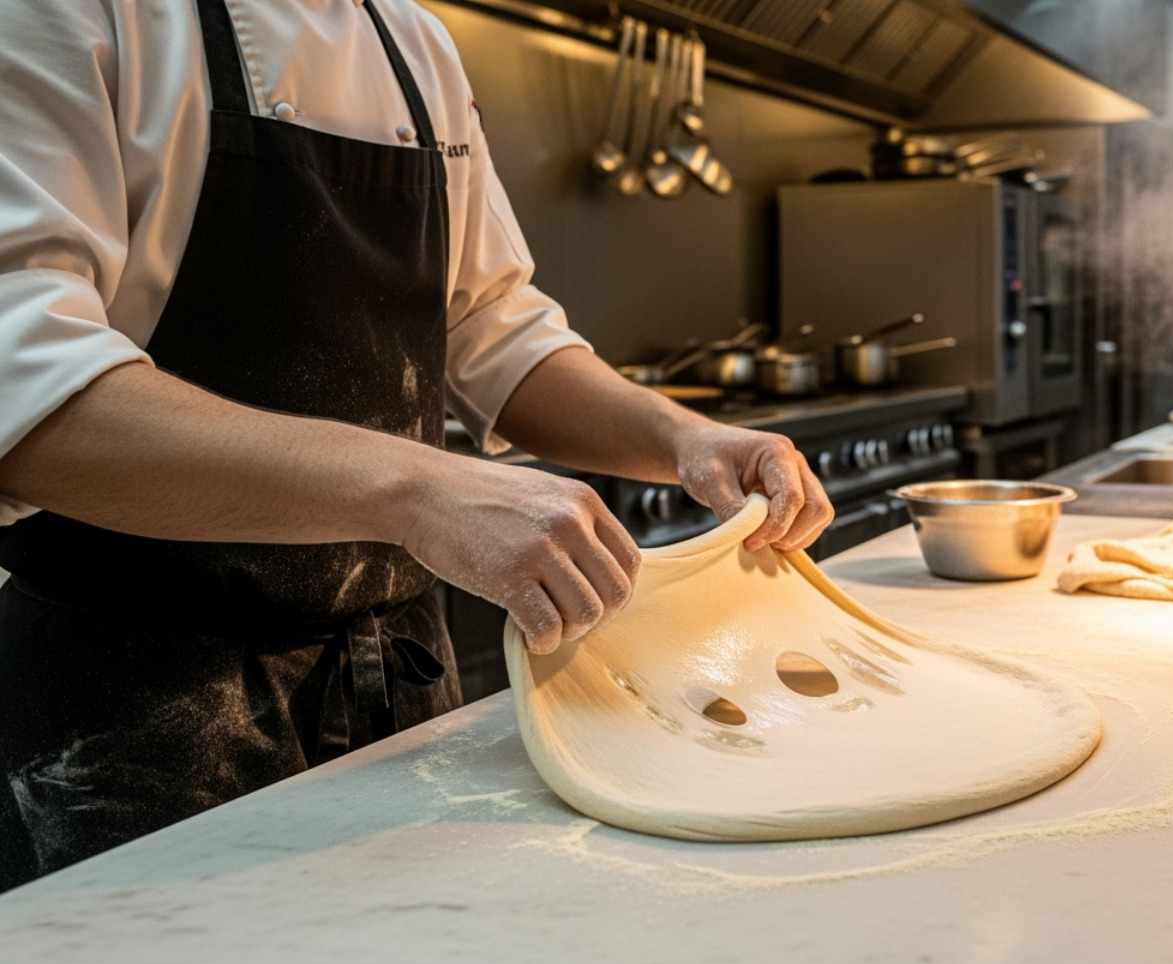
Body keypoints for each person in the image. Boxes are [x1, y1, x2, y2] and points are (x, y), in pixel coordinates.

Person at [0, 0, 832, 891]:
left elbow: (493, 327)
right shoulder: (65, 13)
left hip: (394, 688)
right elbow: (29, 396)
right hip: (128, 723)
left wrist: (687, 438)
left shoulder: (413, 40)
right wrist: (421, 489)